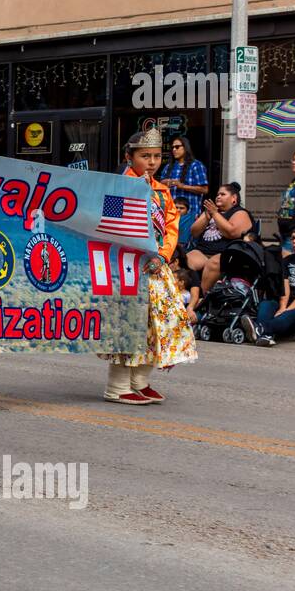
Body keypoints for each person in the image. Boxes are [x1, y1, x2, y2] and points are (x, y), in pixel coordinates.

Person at [99, 128, 197, 403]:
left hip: (156, 267)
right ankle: (118, 386)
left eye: (156, 156)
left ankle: (140, 380)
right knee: (129, 324)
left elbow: (171, 227)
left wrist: (163, 256)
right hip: (127, 267)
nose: (152, 162)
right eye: (145, 156)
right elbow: (111, 227)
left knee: (161, 324)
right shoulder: (117, 188)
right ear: (129, 157)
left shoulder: (163, 192)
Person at [186, 182, 253, 295]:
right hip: (202, 251)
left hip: (226, 254)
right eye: (217, 194)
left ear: (233, 198)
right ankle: (187, 296)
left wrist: (215, 214)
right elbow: (194, 232)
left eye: (223, 194)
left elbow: (231, 232)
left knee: (213, 263)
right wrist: (206, 217)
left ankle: (202, 298)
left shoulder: (240, 212)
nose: (218, 196)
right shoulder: (211, 210)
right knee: (185, 260)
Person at [160, 136, 208, 218]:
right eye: (172, 147)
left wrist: (182, 186)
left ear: (185, 148)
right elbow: (160, 185)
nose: (174, 149)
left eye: (177, 147)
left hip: (190, 214)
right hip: (170, 214)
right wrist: (166, 182)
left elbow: (204, 190)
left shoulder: (196, 165)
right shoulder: (168, 167)